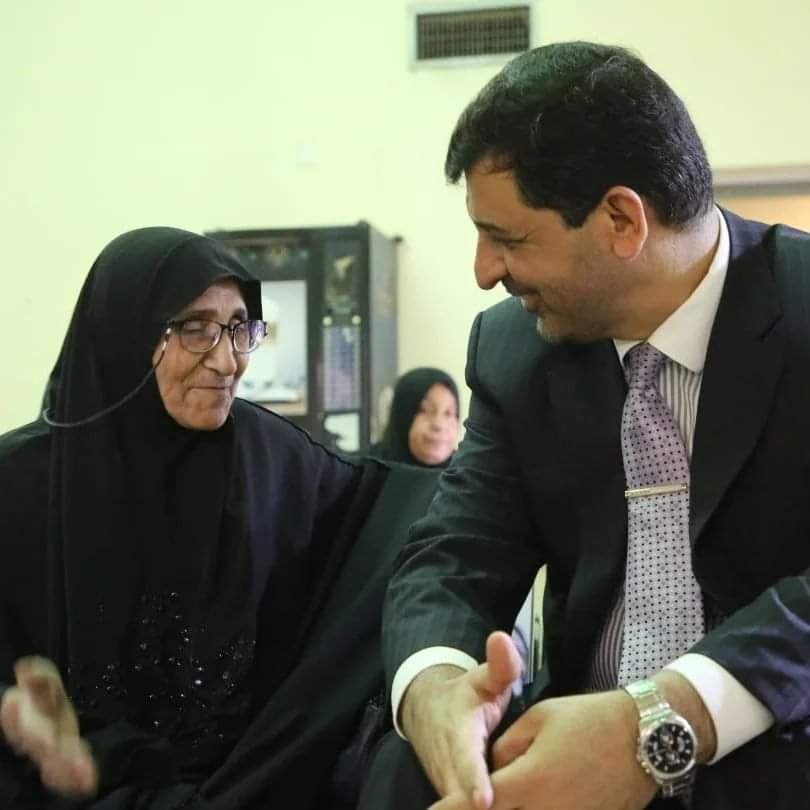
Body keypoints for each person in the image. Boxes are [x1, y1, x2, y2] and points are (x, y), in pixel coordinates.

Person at [358, 41, 810, 810]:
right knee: (402, 776)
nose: (483, 272)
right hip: (568, 740)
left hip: (773, 735)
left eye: (509, 239)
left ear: (621, 220)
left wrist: (666, 716)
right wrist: (437, 687)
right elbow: (456, 551)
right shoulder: (515, 350)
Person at [0, 226, 420, 809]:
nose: (227, 361)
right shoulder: (21, 485)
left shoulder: (267, 457)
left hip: (241, 793)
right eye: (194, 329)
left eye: (240, 328)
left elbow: (390, 514)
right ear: (125, 334)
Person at [369, 368, 460, 468]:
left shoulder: (466, 472)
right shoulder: (364, 471)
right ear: (402, 416)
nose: (439, 425)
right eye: (424, 410)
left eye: (448, 413)